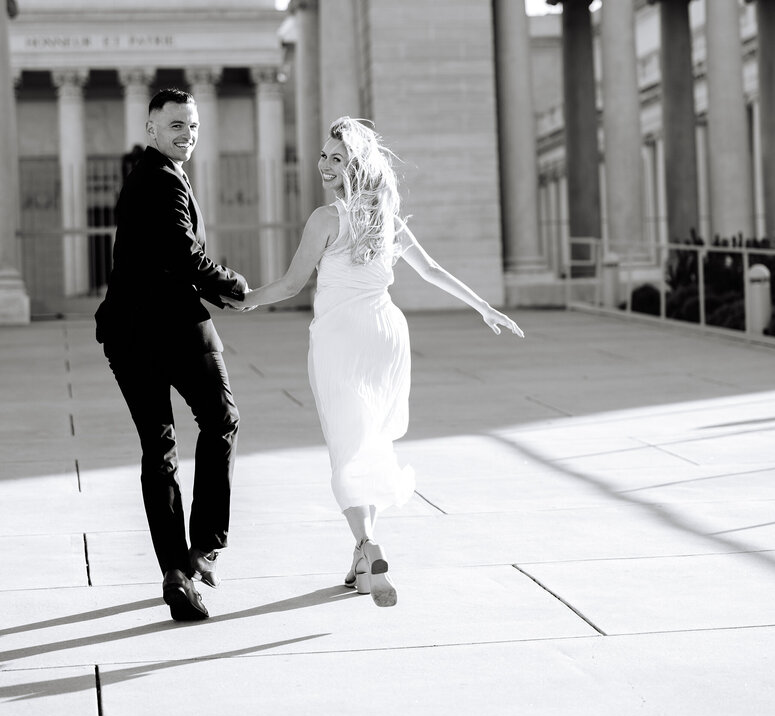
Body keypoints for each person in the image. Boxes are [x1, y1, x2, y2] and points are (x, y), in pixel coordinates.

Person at [223, 116, 523, 608]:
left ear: (353, 165)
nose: (325, 165)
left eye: (335, 159)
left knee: (347, 445)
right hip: (386, 333)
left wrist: (245, 299)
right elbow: (432, 271)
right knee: (369, 442)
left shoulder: (326, 219)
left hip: (342, 335)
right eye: (323, 156)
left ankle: (368, 544)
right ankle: (362, 561)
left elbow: (293, 284)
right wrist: (483, 307)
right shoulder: (388, 219)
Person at [95, 88, 248, 622]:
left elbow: (166, 256)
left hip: (127, 333)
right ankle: (201, 549)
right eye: (177, 125)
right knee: (221, 419)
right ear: (152, 128)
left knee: (159, 450)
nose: (188, 134)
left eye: (194, 126)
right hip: (170, 329)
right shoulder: (161, 178)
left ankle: (176, 573)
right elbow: (186, 256)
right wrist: (235, 286)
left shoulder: (151, 176)